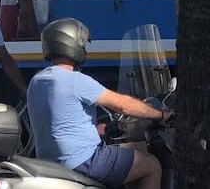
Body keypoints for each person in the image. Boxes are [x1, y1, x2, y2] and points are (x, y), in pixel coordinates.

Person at [27, 18, 173, 189]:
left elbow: (58, 123)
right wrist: (160, 115)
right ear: (72, 45)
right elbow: (124, 105)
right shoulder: (76, 80)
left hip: (51, 163)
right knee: (151, 165)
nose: (84, 49)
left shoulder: (37, 81)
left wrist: (99, 130)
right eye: (83, 45)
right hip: (83, 161)